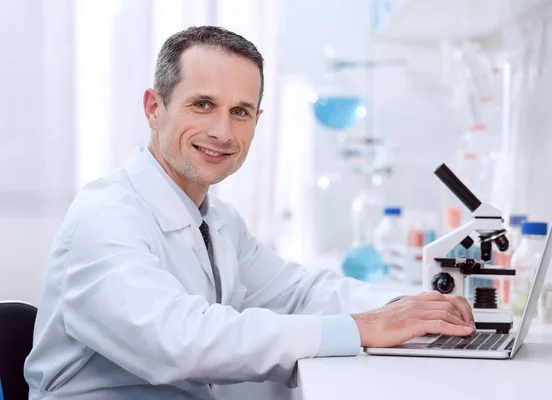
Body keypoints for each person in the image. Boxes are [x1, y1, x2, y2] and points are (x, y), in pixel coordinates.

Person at [24, 26, 475, 400]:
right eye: (202, 105)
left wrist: (411, 308)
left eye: (240, 111)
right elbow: (182, 342)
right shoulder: (104, 218)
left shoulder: (215, 220)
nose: (222, 131)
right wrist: (361, 328)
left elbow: (298, 293)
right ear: (153, 108)